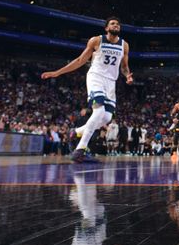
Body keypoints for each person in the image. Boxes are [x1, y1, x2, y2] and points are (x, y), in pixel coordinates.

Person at [41, 17, 133, 163]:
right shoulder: (96, 41)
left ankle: (76, 132)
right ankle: (80, 150)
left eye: (118, 24)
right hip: (96, 77)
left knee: (107, 118)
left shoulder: (124, 45)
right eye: (113, 23)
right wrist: (57, 73)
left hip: (111, 82)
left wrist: (127, 75)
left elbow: (124, 67)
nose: (116, 25)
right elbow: (80, 61)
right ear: (106, 28)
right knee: (99, 111)